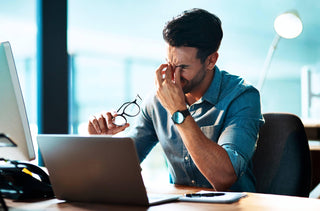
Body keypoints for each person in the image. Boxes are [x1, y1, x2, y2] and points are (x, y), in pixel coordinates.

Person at [88, 8, 264, 192]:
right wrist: (102, 145)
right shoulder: (156, 102)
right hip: (179, 205)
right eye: (169, 63)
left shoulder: (242, 97)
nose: (172, 75)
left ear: (211, 60)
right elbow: (122, 169)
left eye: (182, 67)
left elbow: (224, 177)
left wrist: (178, 111)